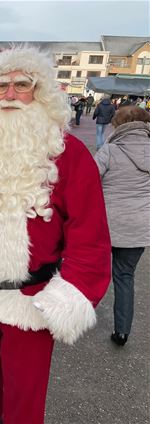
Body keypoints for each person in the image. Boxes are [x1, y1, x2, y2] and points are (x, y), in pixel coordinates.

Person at [0, 47, 111, 424]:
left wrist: (71, 293)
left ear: (41, 92)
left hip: (33, 299)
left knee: (24, 401)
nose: (9, 94)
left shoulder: (69, 154)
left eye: (21, 84)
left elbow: (90, 237)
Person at [94, 106, 150, 347]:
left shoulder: (109, 151)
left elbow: (89, 181)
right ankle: (122, 331)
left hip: (105, 224)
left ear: (118, 125)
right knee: (125, 276)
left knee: (91, 271)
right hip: (139, 226)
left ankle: (74, 316)